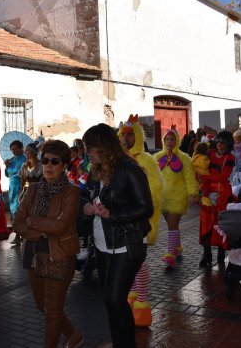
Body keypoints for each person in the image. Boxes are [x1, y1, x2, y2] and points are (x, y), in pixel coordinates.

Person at [81, 124, 153, 348]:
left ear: (102, 147)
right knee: (110, 301)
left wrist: (113, 214)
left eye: (89, 148)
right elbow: (85, 195)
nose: (87, 153)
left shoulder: (128, 168)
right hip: (103, 242)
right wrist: (86, 208)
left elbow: (145, 207)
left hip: (127, 242)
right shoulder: (96, 169)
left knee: (115, 298)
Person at [12, 140, 83, 348]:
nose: (49, 165)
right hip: (33, 253)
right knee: (42, 306)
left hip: (58, 255)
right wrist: (39, 232)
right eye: (45, 160)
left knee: (52, 311)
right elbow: (16, 221)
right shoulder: (33, 189)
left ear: (64, 165)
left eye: (55, 161)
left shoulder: (71, 192)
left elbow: (61, 226)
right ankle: (73, 334)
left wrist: (32, 221)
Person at [119, 115, 163, 327]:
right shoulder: (117, 159)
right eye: (123, 134)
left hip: (138, 219)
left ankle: (143, 306)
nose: (125, 138)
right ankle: (132, 298)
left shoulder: (146, 160)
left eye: (130, 134)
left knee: (140, 261)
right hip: (121, 220)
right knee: (129, 262)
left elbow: (154, 191)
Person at [154, 125, 197, 268]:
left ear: (177, 141)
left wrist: (192, 194)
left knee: (172, 226)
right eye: (167, 139)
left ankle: (170, 254)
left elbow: (189, 178)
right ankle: (177, 248)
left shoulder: (185, 159)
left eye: (172, 139)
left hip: (178, 198)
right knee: (172, 225)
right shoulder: (157, 157)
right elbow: (153, 177)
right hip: (163, 198)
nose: (169, 141)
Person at [198, 131, 235, 268]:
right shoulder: (210, 156)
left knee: (221, 225)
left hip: (222, 195)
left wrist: (205, 177)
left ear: (228, 144)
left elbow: (223, 178)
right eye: (218, 141)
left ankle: (221, 255)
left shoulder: (230, 158)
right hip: (208, 195)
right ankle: (206, 255)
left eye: (223, 142)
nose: (219, 144)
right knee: (206, 224)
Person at [5, 140, 26, 244]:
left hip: (19, 187)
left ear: (21, 148)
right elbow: (7, 174)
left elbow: (23, 173)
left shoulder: (25, 159)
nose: (14, 151)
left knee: (19, 211)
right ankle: (18, 233)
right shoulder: (11, 160)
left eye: (16, 149)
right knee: (13, 211)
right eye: (12, 149)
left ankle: (20, 235)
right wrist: (7, 166)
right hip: (12, 188)